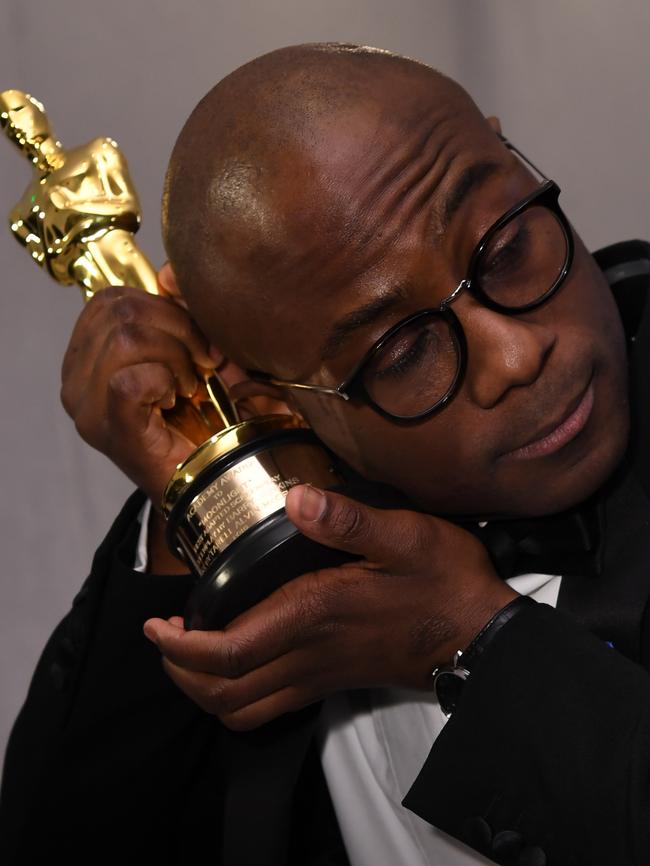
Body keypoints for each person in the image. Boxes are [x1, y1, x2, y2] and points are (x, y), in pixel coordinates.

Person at [2, 42, 650, 866]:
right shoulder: (270, 555)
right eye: (406, 352)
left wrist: (475, 641)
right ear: (271, 390)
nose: (518, 357)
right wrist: (196, 482)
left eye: (507, 247)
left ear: (507, 154)